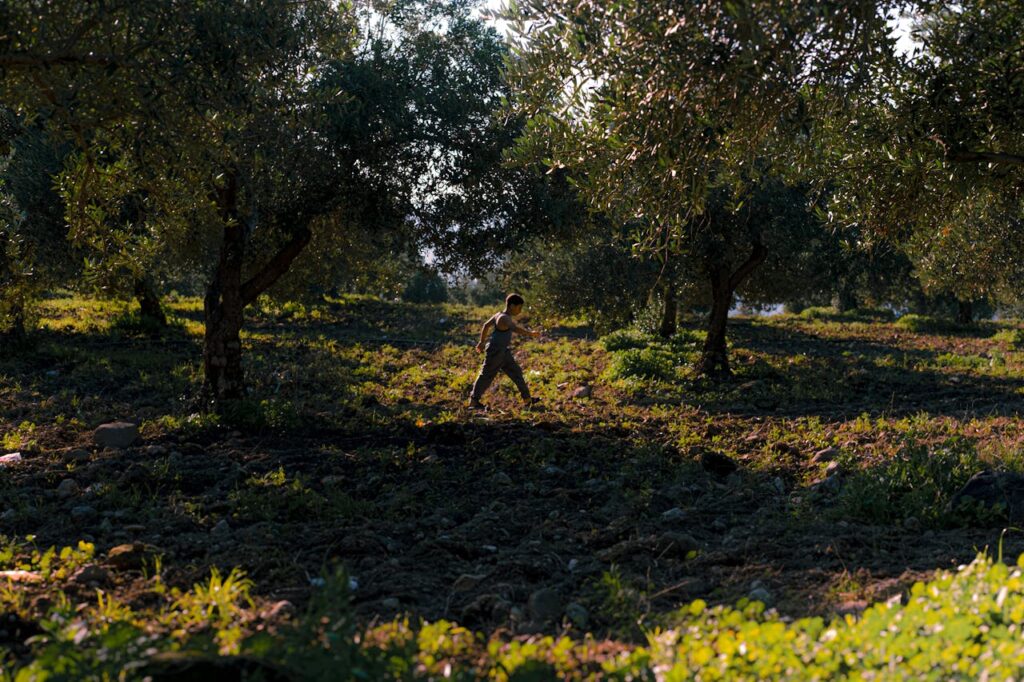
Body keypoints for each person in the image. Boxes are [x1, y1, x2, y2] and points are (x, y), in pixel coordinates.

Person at [469, 293, 541, 410]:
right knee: (486, 376)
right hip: (496, 351)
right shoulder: (504, 318)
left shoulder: (498, 315)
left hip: (503, 352)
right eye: (519, 307)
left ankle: (527, 400)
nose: (520, 311)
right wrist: (530, 334)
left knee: (516, 372)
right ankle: (473, 402)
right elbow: (514, 328)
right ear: (512, 305)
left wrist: (482, 342)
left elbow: (486, 325)